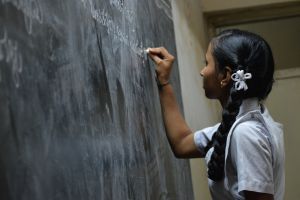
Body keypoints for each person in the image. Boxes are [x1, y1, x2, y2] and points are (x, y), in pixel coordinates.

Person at [147, 29, 285, 200]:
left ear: (226, 76)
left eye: (207, 63)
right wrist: (164, 82)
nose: (202, 72)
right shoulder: (240, 125)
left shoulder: (246, 133)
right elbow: (182, 143)